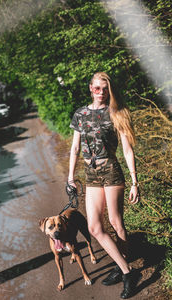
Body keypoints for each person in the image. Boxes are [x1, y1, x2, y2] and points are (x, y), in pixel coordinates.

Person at [68, 72, 140, 299]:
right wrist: (70, 177)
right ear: (90, 88)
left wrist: (134, 181)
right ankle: (126, 270)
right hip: (91, 174)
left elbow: (127, 150)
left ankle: (124, 268)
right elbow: (75, 149)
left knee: (116, 222)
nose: (100, 92)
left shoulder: (116, 112)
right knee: (94, 228)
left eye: (104, 89)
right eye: (97, 88)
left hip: (110, 170)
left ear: (109, 90)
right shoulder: (80, 113)